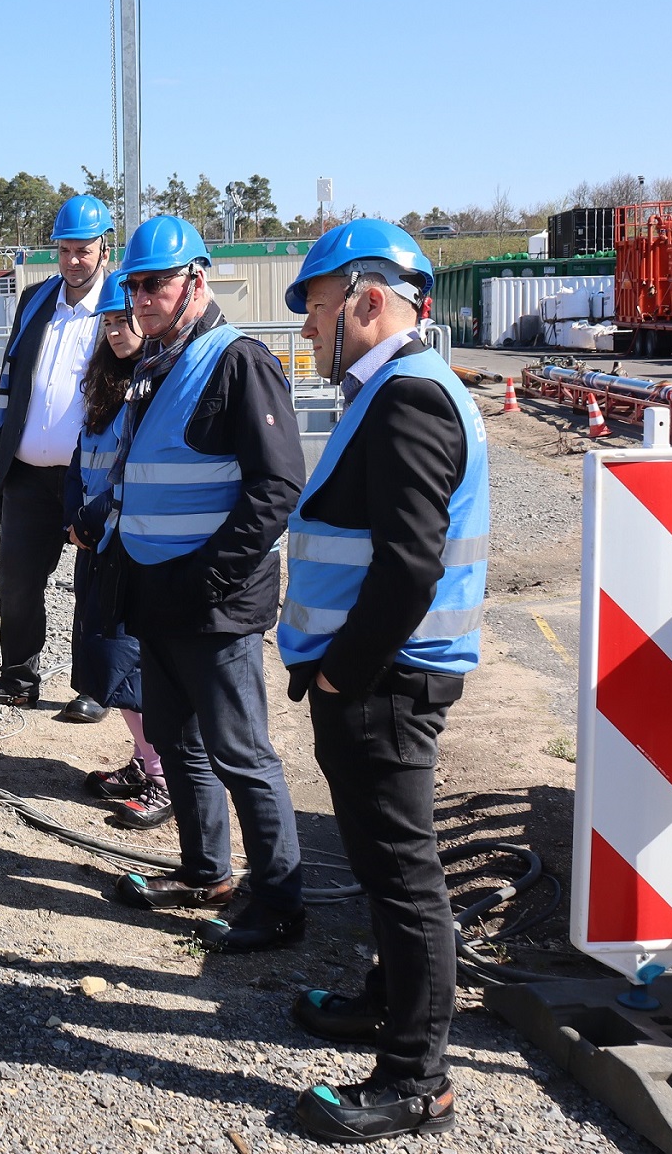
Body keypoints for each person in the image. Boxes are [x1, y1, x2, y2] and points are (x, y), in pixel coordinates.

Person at [278, 220, 486, 1144]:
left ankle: (417, 1080)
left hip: (384, 686)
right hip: (371, 681)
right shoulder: (390, 391)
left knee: (405, 879)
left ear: (367, 300)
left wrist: (340, 680)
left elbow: (410, 567)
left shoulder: (408, 399)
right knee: (376, 863)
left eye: (319, 312)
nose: (311, 334)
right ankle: (381, 998)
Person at [102, 215, 307, 956]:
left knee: (240, 752)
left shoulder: (238, 362)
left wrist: (214, 578)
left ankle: (280, 902)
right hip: (158, 597)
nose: (141, 298)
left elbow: (278, 485)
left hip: (213, 604)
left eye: (153, 283)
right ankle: (205, 873)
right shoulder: (157, 362)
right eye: (132, 285)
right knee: (176, 742)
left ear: (196, 279)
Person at [0, 194, 114, 722]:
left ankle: (93, 687)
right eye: (64, 250)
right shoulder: (36, 300)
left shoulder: (120, 304)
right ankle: (18, 679)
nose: (72, 261)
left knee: (92, 584)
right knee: (17, 579)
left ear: (103, 248)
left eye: (83, 251)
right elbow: (10, 381)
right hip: (26, 474)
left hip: (88, 478)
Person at [62, 274, 171, 828]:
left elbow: (133, 473)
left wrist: (95, 517)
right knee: (111, 664)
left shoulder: (159, 385)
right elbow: (84, 460)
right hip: (97, 543)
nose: (116, 330)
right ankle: (143, 761)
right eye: (106, 322)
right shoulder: (104, 386)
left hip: (128, 543)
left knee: (134, 665)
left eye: (122, 319)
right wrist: (72, 516)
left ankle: (162, 779)